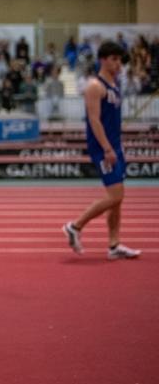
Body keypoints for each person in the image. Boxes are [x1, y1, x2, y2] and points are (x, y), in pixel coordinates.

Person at [63, 41, 141, 261]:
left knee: (117, 200)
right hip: (103, 148)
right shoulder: (94, 86)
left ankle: (114, 245)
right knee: (116, 195)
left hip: (115, 145)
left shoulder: (114, 84)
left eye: (120, 60)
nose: (118, 64)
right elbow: (94, 120)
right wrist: (107, 148)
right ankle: (75, 226)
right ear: (103, 60)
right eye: (114, 59)